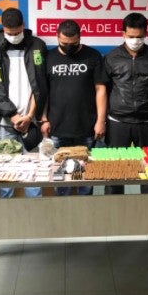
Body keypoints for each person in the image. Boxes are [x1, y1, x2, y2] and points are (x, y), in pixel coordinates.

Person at [40, 19, 108, 196]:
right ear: (57, 37)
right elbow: (44, 92)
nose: (69, 47)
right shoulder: (49, 57)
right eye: (64, 43)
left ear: (80, 37)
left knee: (85, 179)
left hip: (86, 127)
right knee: (60, 178)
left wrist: (100, 121)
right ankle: (63, 211)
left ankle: (84, 210)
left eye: (73, 43)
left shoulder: (93, 56)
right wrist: (44, 119)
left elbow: (100, 89)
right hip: (57, 127)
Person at [0, 8, 48, 198]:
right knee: (6, 174)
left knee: (34, 173)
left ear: (23, 26)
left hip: (31, 121)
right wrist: (13, 116)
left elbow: (40, 85)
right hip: (6, 122)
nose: (13, 37)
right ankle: (6, 213)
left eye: (17, 32)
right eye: (9, 33)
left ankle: (35, 210)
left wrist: (29, 116)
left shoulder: (38, 45)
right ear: (3, 28)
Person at [104, 13, 148, 194]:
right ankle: (114, 208)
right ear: (123, 34)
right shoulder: (112, 57)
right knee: (115, 173)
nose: (135, 40)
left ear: (146, 34)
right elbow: (105, 88)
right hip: (118, 122)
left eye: (139, 36)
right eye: (131, 36)